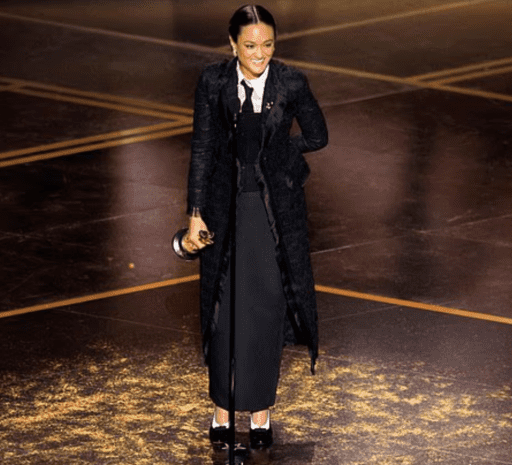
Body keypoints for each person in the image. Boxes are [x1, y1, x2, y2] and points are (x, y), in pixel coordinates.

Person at [184, 4, 328, 450]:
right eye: (250, 46)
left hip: (273, 216)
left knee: (266, 312)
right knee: (223, 312)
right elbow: (202, 147)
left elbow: (318, 135)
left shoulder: (291, 82)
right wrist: (194, 212)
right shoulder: (214, 82)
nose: (260, 53)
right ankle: (222, 410)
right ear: (232, 45)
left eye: (268, 44)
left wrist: (280, 152)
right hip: (225, 212)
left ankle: (261, 412)